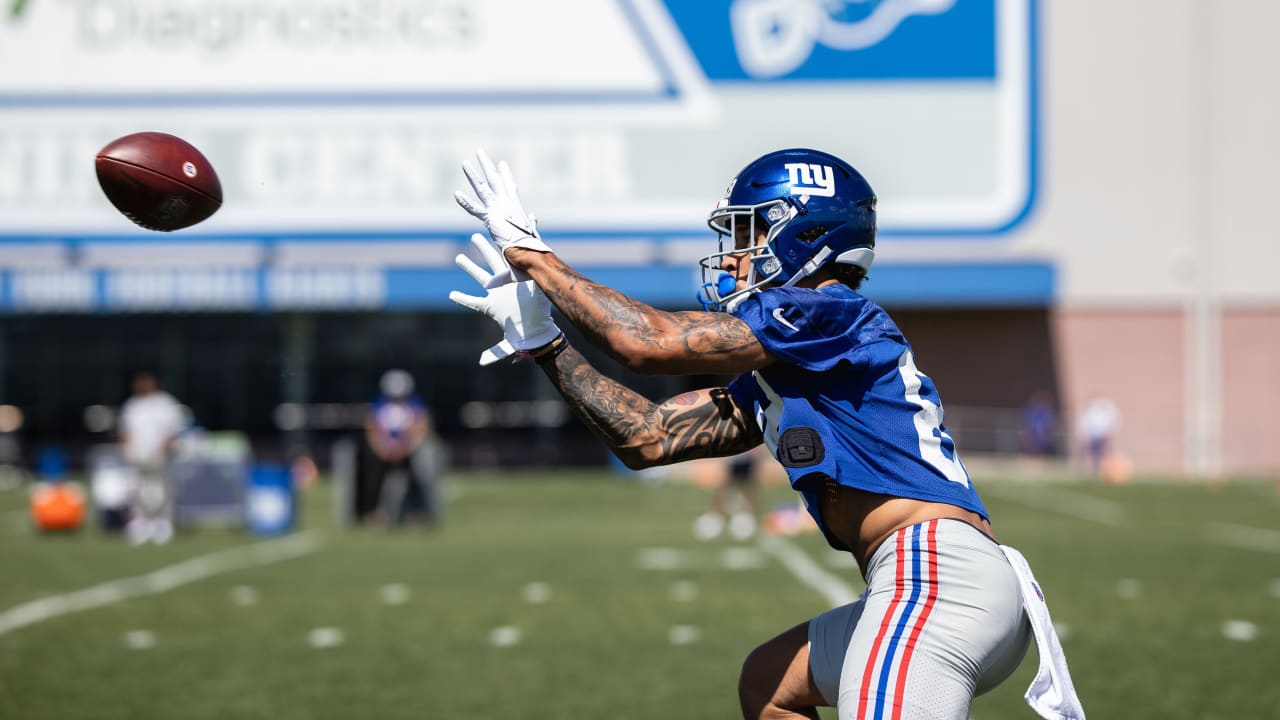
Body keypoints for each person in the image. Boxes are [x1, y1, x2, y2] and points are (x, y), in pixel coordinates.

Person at [450, 148, 1084, 720]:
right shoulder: (786, 363)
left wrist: (531, 255)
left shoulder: (826, 309)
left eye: (748, 232)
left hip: (934, 576)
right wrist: (546, 345)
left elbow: (646, 343)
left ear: (805, 234)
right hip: (925, 580)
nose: (731, 253)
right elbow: (646, 437)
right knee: (769, 687)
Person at [362, 369, 439, 527]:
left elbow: (420, 427)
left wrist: (405, 448)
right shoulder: (379, 404)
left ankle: (418, 512)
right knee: (373, 474)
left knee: (418, 474)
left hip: (409, 450)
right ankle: (377, 513)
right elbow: (372, 429)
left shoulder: (415, 404)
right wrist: (383, 449)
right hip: (384, 452)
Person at [118, 371, 186, 545]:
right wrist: (128, 449)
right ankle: (140, 522)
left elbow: (173, 429)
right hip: (138, 455)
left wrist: (164, 448)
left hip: (159, 454)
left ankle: (161, 523)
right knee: (138, 489)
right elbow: (126, 431)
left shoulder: (165, 403)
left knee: (160, 490)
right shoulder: (132, 405)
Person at [692, 449, 762, 542]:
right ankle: (716, 517)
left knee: (748, 486)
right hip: (732, 453)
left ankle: (746, 517)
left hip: (747, 453)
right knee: (725, 485)